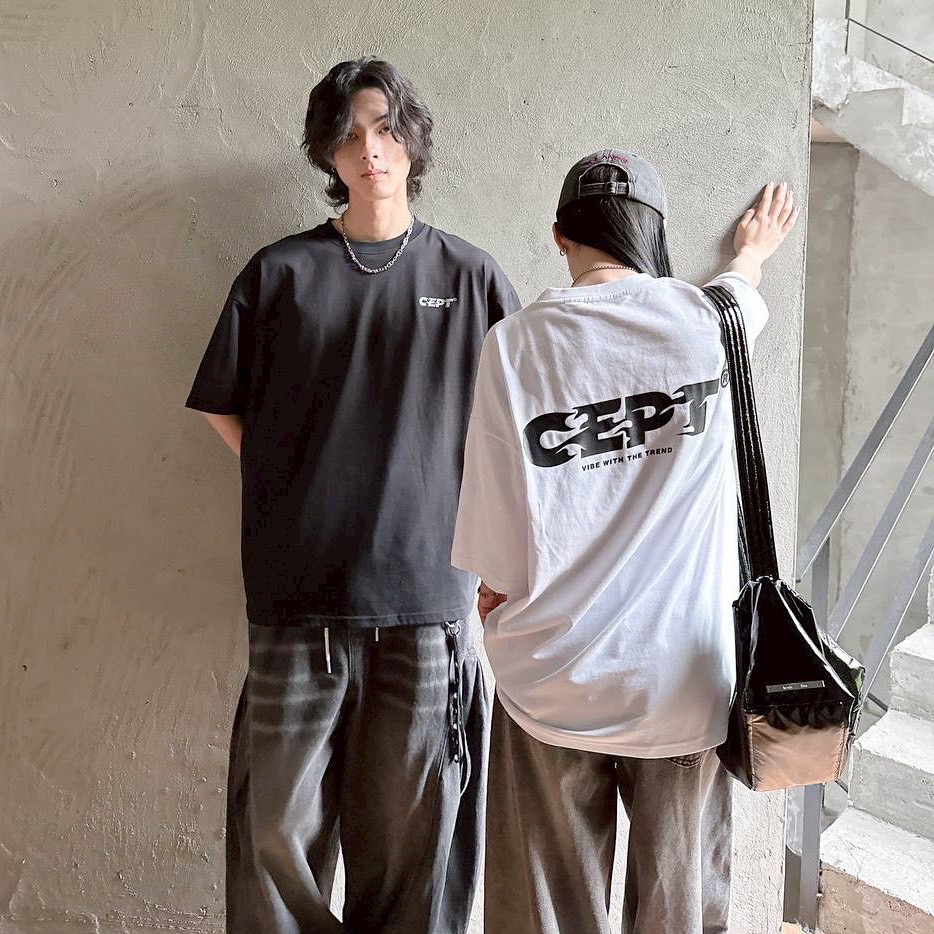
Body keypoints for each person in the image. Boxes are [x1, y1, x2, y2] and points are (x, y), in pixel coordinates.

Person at [185, 57, 520, 934]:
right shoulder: (281, 273)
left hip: (427, 600)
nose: (369, 149)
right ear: (326, 154)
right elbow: (221, 403)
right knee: (274, 838)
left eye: (384, 128)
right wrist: (291, 475)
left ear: (411, 141)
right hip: (297, 602)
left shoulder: (472, 276)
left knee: (417, 848)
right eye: (348, 135)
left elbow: (513, 430)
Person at [452, 150, 798, 934]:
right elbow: (741, 291)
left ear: (560, 237)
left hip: (550, 682)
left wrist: (495, 592)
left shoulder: (514, 344)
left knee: (544, 914)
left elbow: (494, 542)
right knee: (678, 913)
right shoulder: (710, 323)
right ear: (653, 235)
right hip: (682, 683)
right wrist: (750, 252)